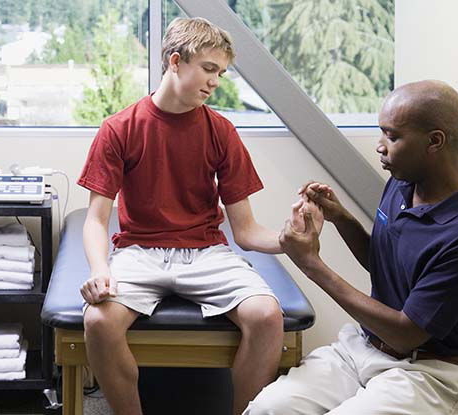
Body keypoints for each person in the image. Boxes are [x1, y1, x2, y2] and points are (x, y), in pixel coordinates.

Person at [77, 17, 321, 415]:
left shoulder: (221, 131)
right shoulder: (119, 128)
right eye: (209, 69)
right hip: (140, 252)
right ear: (175, 62)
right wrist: (99, 268)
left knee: (266, 315)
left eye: (220, 73)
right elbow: (95, 218)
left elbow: (244, 230)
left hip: (206, 253)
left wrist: (288, 239)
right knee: (99, 322)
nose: (215, 82)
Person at [244, 80, 458, 415]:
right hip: (363, 349)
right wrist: (341, 218)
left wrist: (312, 265)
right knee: (269, 408)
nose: (380, 146)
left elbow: (406, 333)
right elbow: (386, 264)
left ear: (434, 141)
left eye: (392, 136)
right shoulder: (401, 184)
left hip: (429, 373)